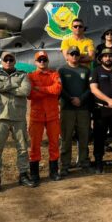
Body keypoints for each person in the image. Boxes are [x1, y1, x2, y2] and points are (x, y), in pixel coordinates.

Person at [0, 51, 32, 191]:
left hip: (18, 117)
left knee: (23, 148)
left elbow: (25, 91)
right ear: (1, 61)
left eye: (10, 59)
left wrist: (6, 86)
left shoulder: (23, 74)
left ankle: (23, 175)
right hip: (0, 117)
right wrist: (14, 85)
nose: (8, 61)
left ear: (14, 61)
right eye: (5, 59)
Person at [27, 50, 63, 186]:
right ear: (35, 62)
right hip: (37, 116)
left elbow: (57, 90)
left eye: (44, 59)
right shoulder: (30, 76)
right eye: (39, 60)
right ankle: (34, 174)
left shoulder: (55, 74)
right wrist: (47, 90)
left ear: (48, 61)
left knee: (54, 143)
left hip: (53, 115)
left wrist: (39, 89)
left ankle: (54, 172)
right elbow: (30, 94)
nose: (42, 62)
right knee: (34, 145)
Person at [58, 46, 92, 177]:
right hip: (67, 108)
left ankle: (83, 162)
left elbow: (90, 88)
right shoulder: (61, 70)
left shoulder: (86, 70)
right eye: (71, 54)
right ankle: (65, 165)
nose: (74, 56)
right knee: (66, 138)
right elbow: (60, 88)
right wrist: (71, 99)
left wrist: (81, 99)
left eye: (76, 54)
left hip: (83, 108)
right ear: (67, 56)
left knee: (84, 136)